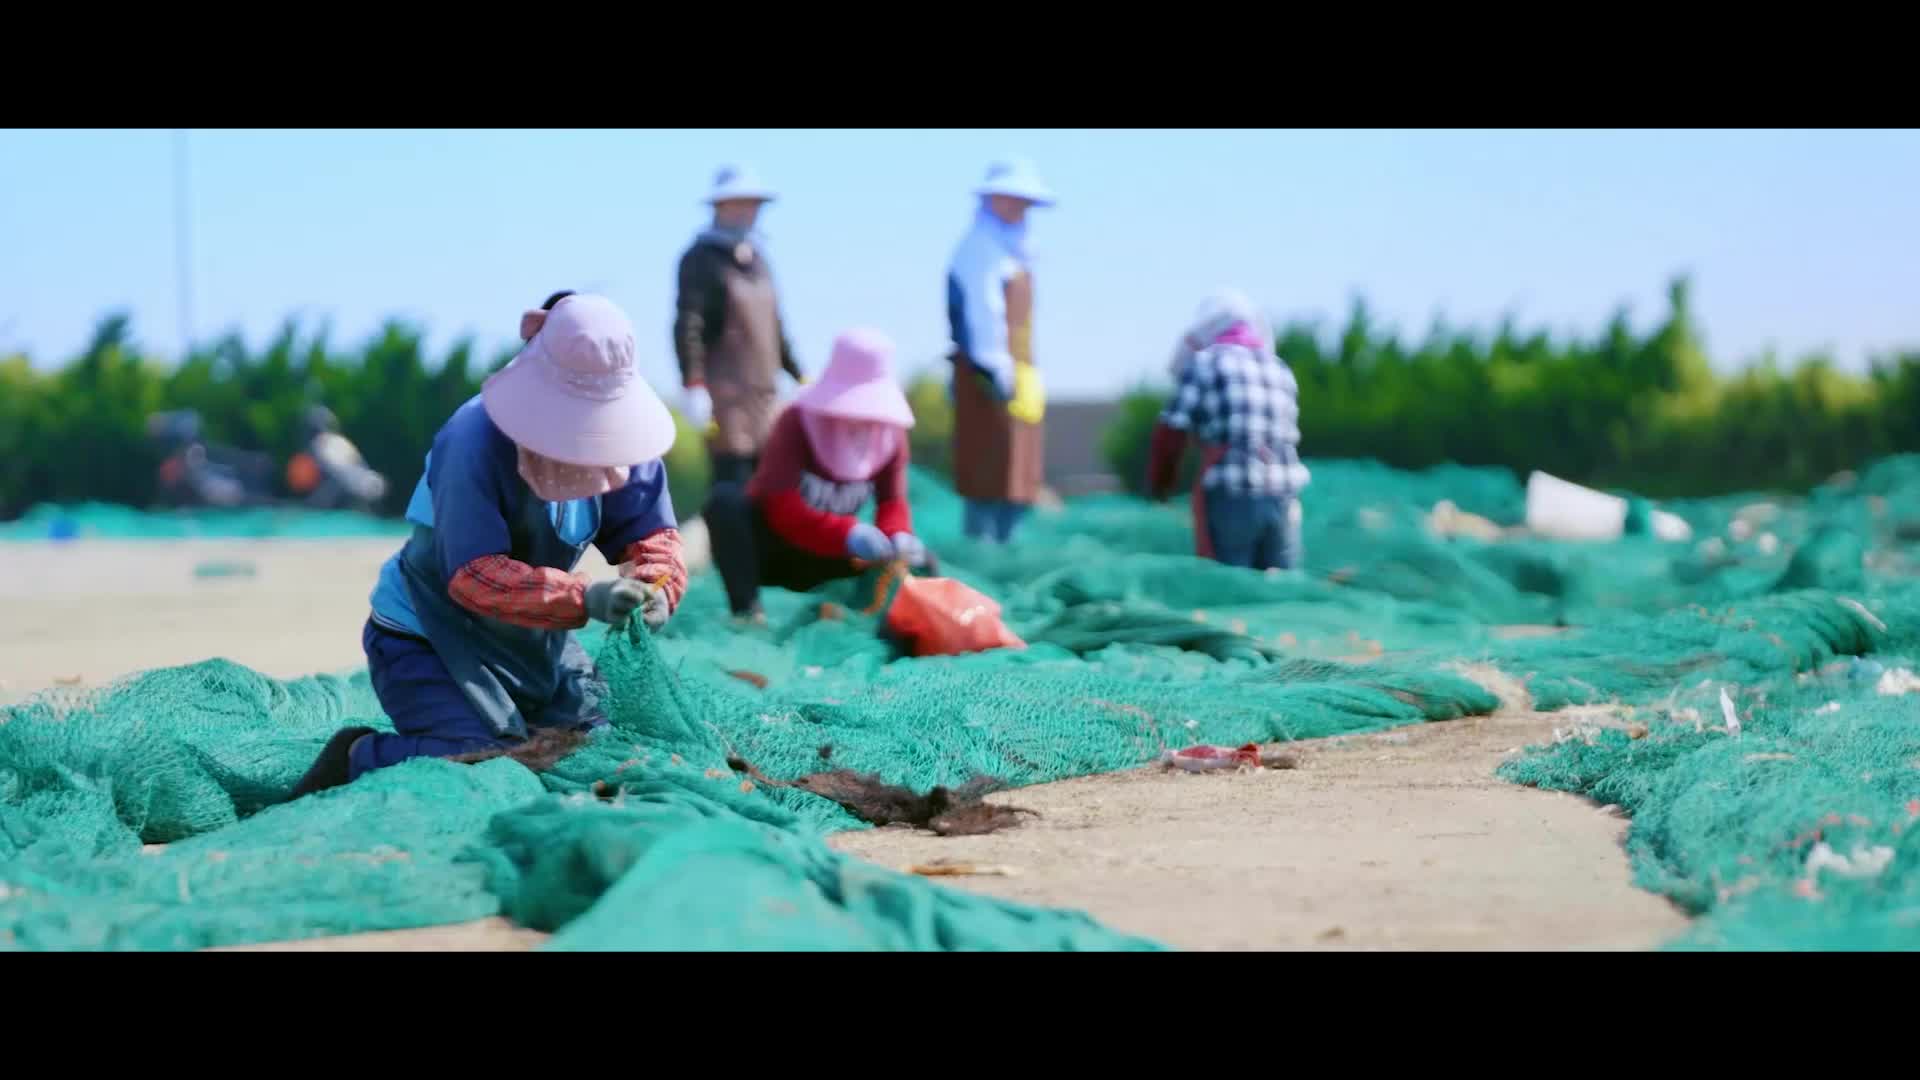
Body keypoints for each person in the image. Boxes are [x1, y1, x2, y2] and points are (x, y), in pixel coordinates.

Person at [287, 292, 689, 800]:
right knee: (472, 762)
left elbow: (653, 538)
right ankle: (359, 755)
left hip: (538, 643)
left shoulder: (626, 443)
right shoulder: (474, 438)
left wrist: (657, 585)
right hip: (430, 637)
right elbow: (473, 576)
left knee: (598, 748)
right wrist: (587, 599)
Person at [705, 327, 928, 621]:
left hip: (833, 558)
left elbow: (892, 502)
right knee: (724, 503)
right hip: (774, 553)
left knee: (922, 563)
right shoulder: (797, 421)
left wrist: (896, 534)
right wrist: (848, 533)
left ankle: (890, 624)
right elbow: (779, 504)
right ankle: (748, 615)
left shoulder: (891, 436)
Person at [1145, 289, 1310, 570]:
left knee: (1231, 588)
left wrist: (1161, 486)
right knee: (1278, 589)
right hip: (1283, 496)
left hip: (1232, 495)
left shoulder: (1206, 363)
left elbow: (1171, 432)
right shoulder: (1279, 368)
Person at [673, 165, 806, 493]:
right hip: (726, 398)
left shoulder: (759, 259)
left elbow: (777, 329)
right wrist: (694, 382)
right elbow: (689, 324)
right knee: (733, 487)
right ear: (721, 206)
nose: (750, 212)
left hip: (765, 396)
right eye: (741, 203)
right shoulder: (701, 258)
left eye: (754, 204)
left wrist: (800, 376)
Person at [946, 158, 1053, 544]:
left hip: (1019, 374)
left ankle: (1007, 554)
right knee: (989, 477)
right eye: (1010, 200)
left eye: (1024, 202)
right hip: (985, 376)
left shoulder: (1015, 253)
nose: (1018, 209)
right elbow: (983, 313)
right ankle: (986, 561)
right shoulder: (980, 249)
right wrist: (996, 368)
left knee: (1017, 478)